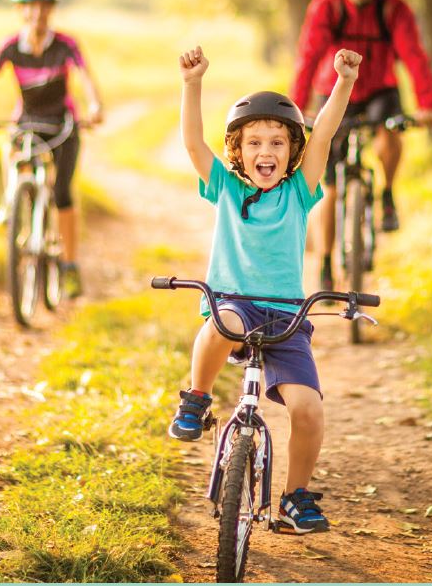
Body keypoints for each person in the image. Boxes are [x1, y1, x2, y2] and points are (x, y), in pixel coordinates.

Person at [169, 43, 362, 534]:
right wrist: (192, 85)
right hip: (235, 303)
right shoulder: (227, 189)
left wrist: (343, 82)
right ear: (238, 151)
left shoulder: (301, 191)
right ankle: (197, 398)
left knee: (308, 408)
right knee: (222, 323)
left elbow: (325, 135)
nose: (266, 153)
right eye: (254, 143)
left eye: (277, 143)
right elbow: (193, 145)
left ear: (292, 152)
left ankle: (295, 497)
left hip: (288, 318)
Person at [290, 0, 432, 292]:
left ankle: (387, 193)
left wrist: (427, 104)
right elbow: (308, 56)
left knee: (391, 131)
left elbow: (414, 56)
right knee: (328, 187)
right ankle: (326, 267)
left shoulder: (393, 10)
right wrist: (296, 107)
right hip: (336, 92)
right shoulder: (326, 7)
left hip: (379, 91)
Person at [0, 0, 104, 298]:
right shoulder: (10, 46)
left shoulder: (66, 45)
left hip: (63, 124)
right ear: (21, 10)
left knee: (63, 194)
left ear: (51, 10)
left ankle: (70, 265)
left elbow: (85, 77)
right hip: (28, 121)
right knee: (12, 145)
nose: (37, 14)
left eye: (44, 7)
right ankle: (12, 199)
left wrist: (94, 106)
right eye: (30, 7)